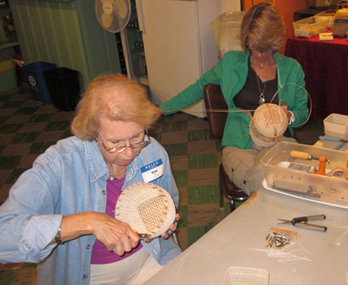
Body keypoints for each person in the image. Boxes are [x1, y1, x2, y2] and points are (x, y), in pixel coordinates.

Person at [0, 74, 181, 284]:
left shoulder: (153, 152)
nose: (129, 153)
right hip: (88, 276)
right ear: (93, 133)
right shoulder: (59, 162)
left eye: (137, 137)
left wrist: (158, 226)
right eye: (115, 142)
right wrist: (87, 222)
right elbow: (4, 235)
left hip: (151, 259)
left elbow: (169, 199)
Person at [160, 2, 309, 195]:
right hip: (238, 146)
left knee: (274, 179)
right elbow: (197, 88)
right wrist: (162, 109)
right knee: (267, 181)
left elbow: (303, 113)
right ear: (246, 40)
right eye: (253, 46)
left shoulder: (292, 68)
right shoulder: (231, 62)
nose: (259, 55)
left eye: (265, 49)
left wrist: (290, 117)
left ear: (276, 42)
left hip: (279, 141)